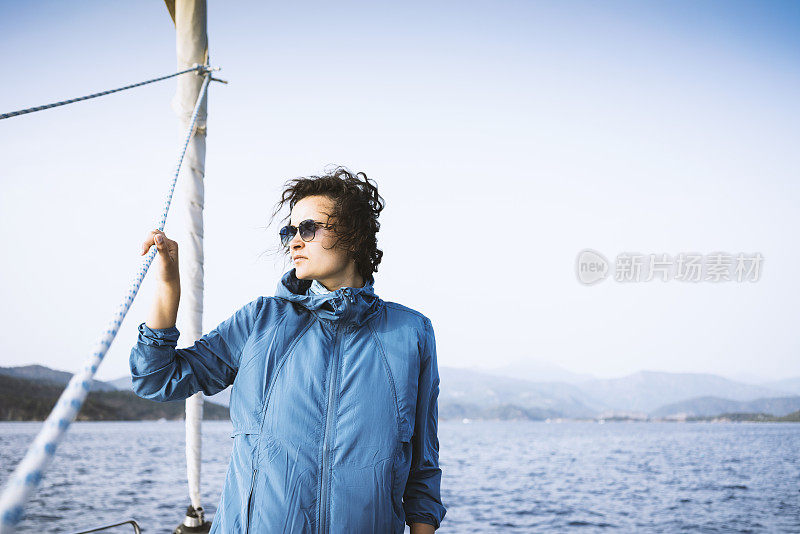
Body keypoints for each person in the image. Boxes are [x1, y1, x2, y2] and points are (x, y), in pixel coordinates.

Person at [129, 166, 446, 533]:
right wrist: (168, 283)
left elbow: (423, 468)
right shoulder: (260, 321)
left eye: (308, 229)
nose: (294, 242)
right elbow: (156, 379)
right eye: (289, 231)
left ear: (355, 236)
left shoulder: (411, 332)